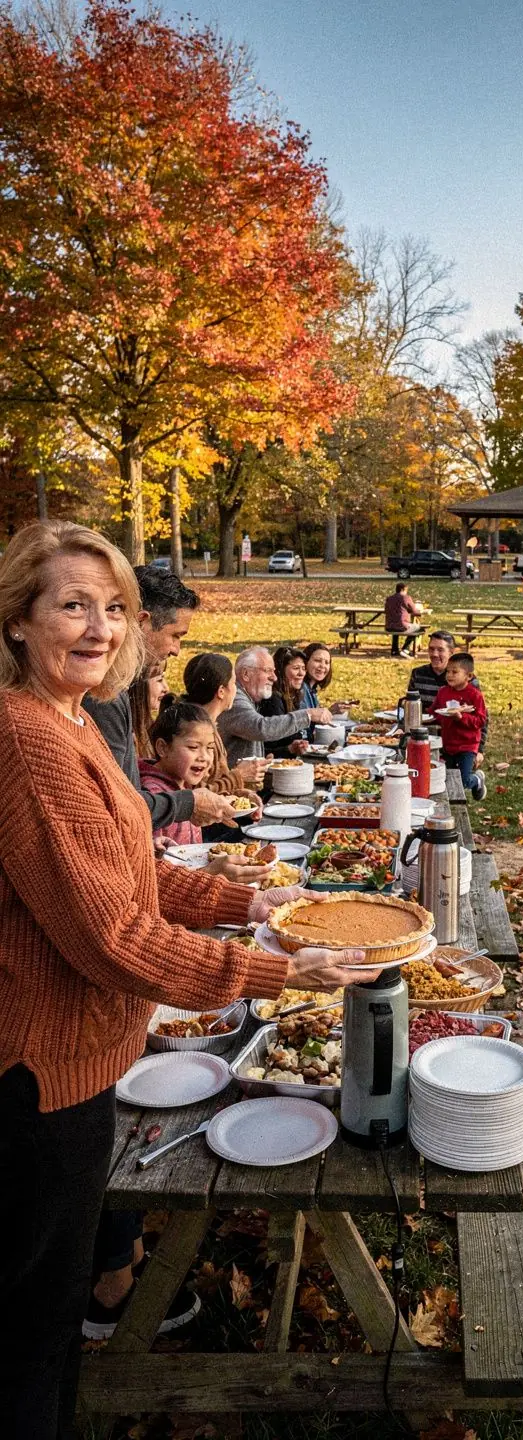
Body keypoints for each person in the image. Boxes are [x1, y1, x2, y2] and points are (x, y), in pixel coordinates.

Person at [0, 520, 377, 1440]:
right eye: (73, 605)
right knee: (27, 1331)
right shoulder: (30, 742)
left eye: (116, 608)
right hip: (41, 1085)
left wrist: (245, 906)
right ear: (17, 621)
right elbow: (116, 937)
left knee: (42, 1321)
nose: (100, 627)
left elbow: (132, 871)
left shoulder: (67, 722)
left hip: (85, 1061)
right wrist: (279, 969)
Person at [84, 566, 238, 834]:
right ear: (143, 623)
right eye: (176, 635)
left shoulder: (120, 689)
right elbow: (117, 806)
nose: (177, 650)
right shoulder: (102, 695)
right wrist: (186, 804)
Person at [218, 645, 333, 768]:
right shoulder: (235, 699)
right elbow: (261, 728)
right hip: (233, 784)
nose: (274, 677)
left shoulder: (250, 697)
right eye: (267, 670)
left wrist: (287, 750)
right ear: (246, 674)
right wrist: (308, 715)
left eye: (273, 671)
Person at [180, 652, 266, 798]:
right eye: (233, 683)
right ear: (221, 691)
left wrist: (242, 794)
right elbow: (197, 796)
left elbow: (217, 784)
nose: (236, 690)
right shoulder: (196, 731)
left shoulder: (209, 724)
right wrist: (238, 776)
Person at [138, 701, 218, 846]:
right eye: (193, 747)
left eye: (210, 748)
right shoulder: (153, 792)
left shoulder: (183, 781)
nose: (204, 757)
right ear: (163, 748)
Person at [408, 630, 488, 761]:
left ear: (451, 653)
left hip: (458, 742)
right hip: (424, 736)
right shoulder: (418, 674)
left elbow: (482, 718)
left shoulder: (466, 681)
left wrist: (479, 751)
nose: (434, 654)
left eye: (440, 650)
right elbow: (411, 707)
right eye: (431, 649)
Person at [433, 652, 488, 800]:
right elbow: (435, 711)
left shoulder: (474, 695)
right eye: (448, 672)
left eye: (455, 672)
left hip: (467, 745)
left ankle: (477, 779)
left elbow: (481, 721)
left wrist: (461, 717)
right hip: (448, 742)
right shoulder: (443, 692)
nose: (449, 675)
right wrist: (436, 716)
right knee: (449, 777)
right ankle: (451, 801)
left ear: (468, 676)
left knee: (463, 780)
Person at [258, 645, 313, 757]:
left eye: (303, 668)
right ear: (281, 671)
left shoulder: (293, 695)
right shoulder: (274, 700)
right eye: (296, 668)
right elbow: (267, 748)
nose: (301, 673)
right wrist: (290, 749)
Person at [128, 658, 169, 758]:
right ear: (139, 687)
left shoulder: (152, 729)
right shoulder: (128, 735)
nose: (166, 688)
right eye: (159, 680)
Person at [302, 641, 355, 715]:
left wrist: (331, 711)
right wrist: (330, 712)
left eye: (327, 662)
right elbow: (304, 721)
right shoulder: (301, 689)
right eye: (317, 660)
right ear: (305, 661)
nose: (323, 666)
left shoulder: (312, 689)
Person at [384, 581, 422, 657]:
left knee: (395, 625)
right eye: (406, 590)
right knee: (418, 628)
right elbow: (415, 612)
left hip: (389, 626)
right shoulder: (406, 598)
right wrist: (419, 610)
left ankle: (394, 650)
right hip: (402, 626)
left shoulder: (389, 599)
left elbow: (386, 610)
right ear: (403, 589)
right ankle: (406, 649)